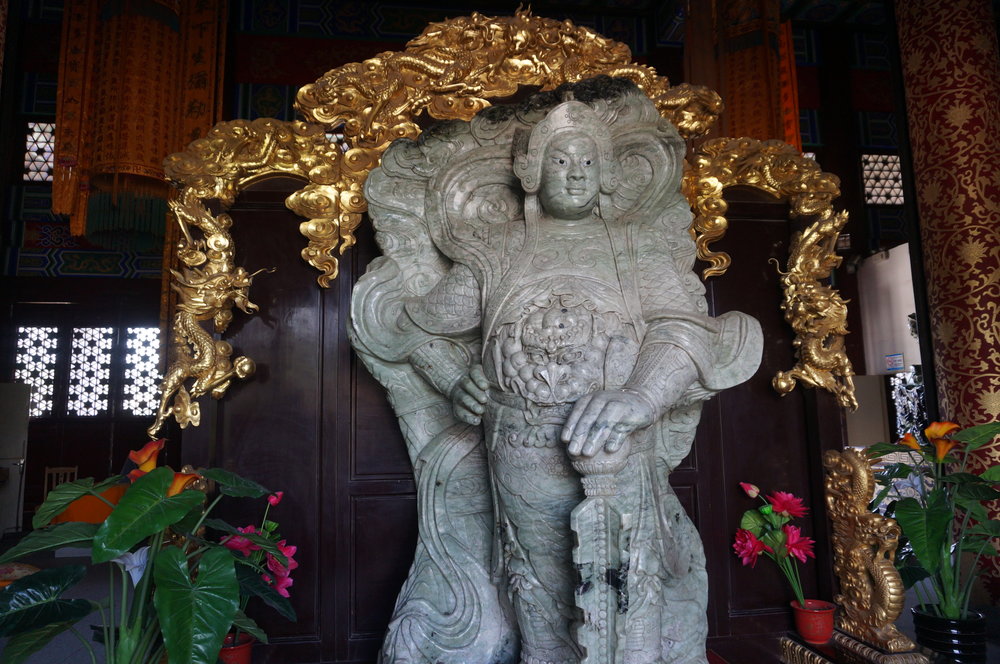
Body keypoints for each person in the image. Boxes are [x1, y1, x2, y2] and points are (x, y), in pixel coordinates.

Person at [354, 78, 762, 664]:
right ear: (529, 170)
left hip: (618, 450)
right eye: (560, 159)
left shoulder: (634, 248)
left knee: (629, 593)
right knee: (540, 598)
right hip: (518, 450)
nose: (574, 172)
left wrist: (641, 399)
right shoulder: (497, 251)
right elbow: (411, 326)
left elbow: (688, 330)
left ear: (608, 172)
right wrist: (453, 379)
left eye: (588, 160)